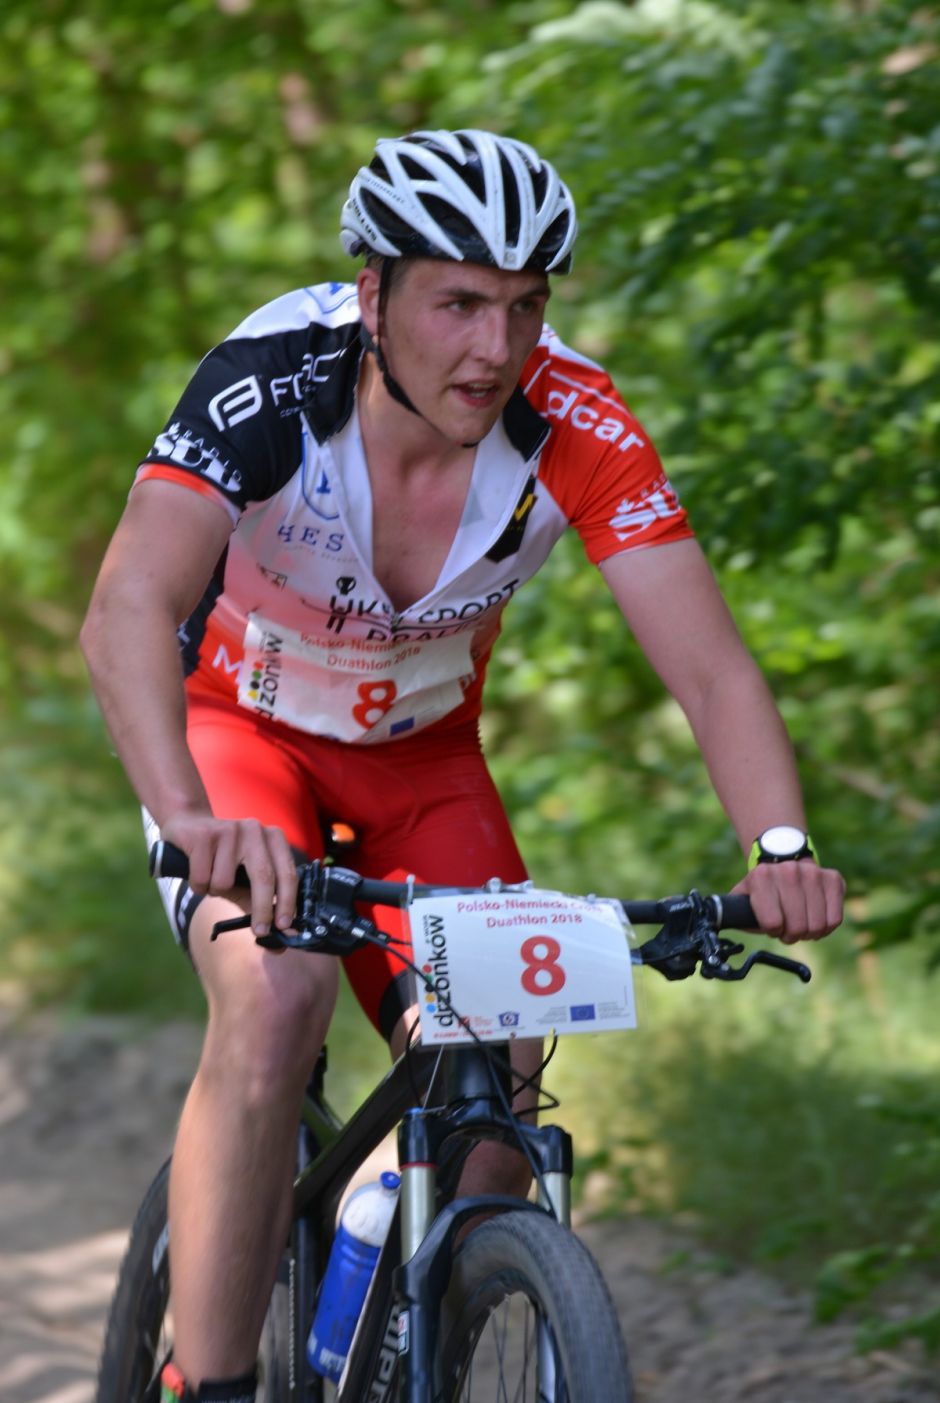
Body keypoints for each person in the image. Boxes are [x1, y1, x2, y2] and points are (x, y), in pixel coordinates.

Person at [81, 128, 844, 1403]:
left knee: (497, 1090)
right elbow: (125, 609)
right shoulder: (272, 380)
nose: (495, 348)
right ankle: (204, 1383)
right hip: (236, 743)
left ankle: (381, 1297)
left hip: (421, 765)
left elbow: (710, 668)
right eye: (459, 304)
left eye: (525, 307)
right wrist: (186, 815)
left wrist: (778, 845)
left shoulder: (574, 417)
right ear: (372, 294)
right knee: (275, 999)